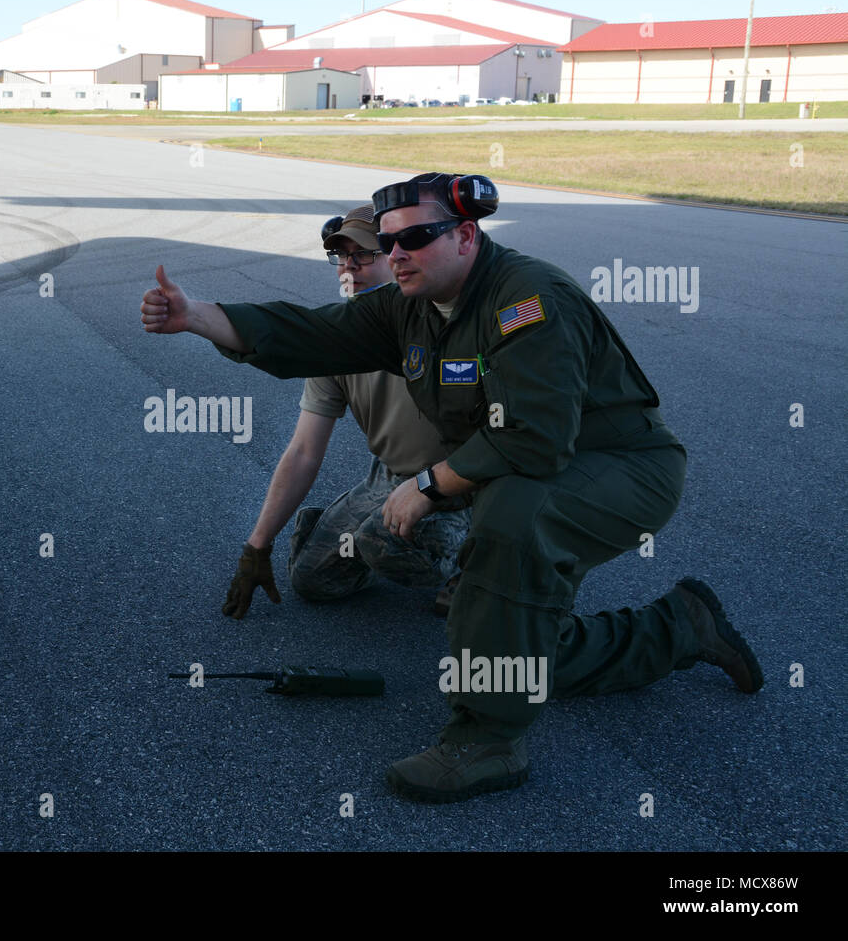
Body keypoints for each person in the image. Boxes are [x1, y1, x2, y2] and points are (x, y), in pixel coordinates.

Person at [141, 171, 763, 803]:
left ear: (466, 235)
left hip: (621, 465)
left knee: (510, 527)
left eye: (415, 237)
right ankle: (680, 628)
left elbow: (535, 437)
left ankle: (488, 741)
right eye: (387, 243)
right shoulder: (410, 306)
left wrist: (428, 486)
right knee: (517, 635)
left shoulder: (528, 299)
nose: (395, 255)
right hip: (529, 463)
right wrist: (196, 316)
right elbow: (313, 332)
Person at [223, 204, 469, 620]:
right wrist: (257, 544)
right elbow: (303, 451)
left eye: (363, 255)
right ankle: (371, 529)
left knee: (382, 543)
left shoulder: (447, 325)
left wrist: (439, 488)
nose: (348, 267)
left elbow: (512, 434)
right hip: (392, 474)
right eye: (341, 255)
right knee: (313, 580)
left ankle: (480, 564)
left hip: (465, 479)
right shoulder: (337, 339)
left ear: (397, 256)